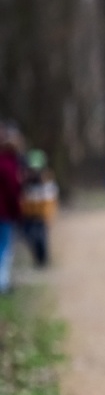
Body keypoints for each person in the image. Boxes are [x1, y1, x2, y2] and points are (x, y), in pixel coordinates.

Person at [19, 150, 58, 267]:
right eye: (32, 168)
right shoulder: (25, 181)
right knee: (29, 237)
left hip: (41, 214)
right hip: (28, 214)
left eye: (37, 168)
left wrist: (48, 215)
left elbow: (51, 198)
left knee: (41, 238)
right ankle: (37, 259)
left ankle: (43, 260)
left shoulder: (47, 180)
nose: (35, 171)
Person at [0, 126, 21, 295]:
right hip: (4, 213)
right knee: (5, 248)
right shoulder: (8, 163)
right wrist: (17, 211)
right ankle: (3, 282)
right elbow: (13, 191)